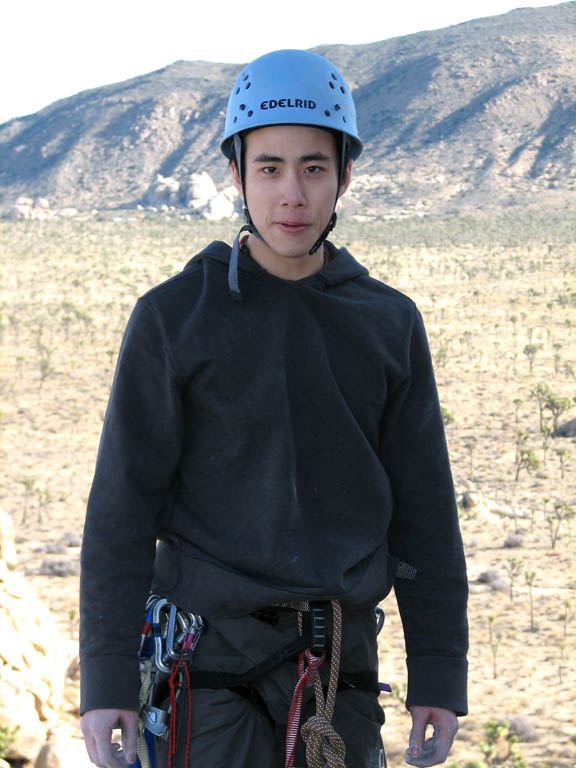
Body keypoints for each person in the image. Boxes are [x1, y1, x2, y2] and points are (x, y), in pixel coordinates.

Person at [80, 49, 468, 768]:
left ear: (344, 176)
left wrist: (440, 674)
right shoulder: (174, 318)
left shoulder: (387, 322)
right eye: (269, 168)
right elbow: (121, 513)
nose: (292, 193)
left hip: (338, 682)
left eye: (314, 168)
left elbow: (426, 517)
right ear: (236, 174)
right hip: (209, 683)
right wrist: (105, 680)